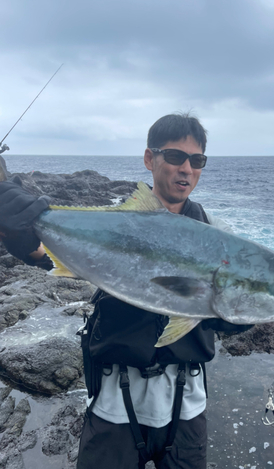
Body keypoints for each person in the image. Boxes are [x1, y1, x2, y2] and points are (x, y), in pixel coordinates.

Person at [0, 113, 251, 468]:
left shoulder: (218, 234)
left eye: (197, 161)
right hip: (116, 400)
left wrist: (239, 316)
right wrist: (19, 236)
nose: (186, 169)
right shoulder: (109, 225)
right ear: (150, 159)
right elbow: (51, 260)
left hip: (186, 403)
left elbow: (240, 303)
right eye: (176, 157)